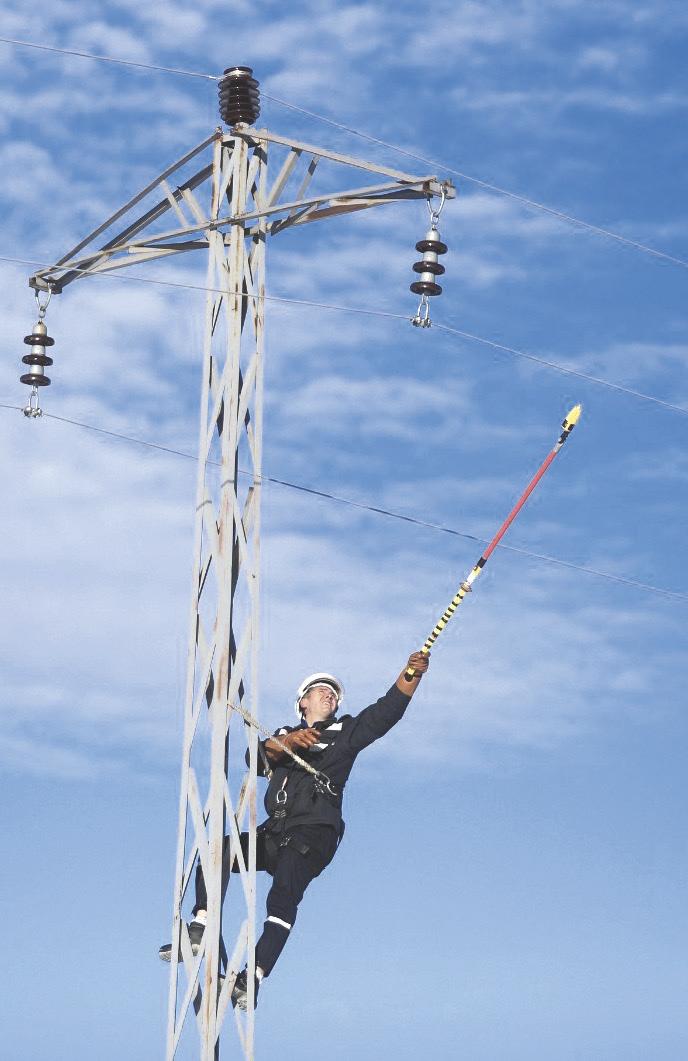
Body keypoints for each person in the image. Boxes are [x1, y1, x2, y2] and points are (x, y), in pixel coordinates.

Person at [160, 650, 430, 1008]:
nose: (329, 694)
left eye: (333, 693)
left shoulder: (345, 733)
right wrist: (285, 744)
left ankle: (253, 976)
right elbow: (254, 759)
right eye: (320, 690)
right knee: (217, 850)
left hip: (312, 834)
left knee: (283, 895)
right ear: (303, 702)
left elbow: (386, 712)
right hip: (277, 831)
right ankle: (201, 925)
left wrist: (411, 673)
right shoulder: (284, 736)